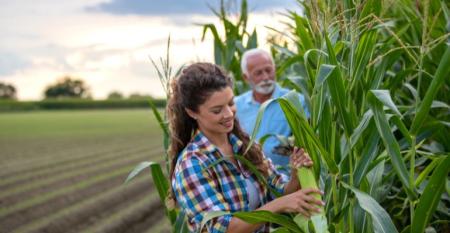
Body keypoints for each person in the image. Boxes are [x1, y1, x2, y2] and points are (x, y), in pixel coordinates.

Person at [168, 63, 323, 233]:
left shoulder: (244, 145)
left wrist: (295, 176)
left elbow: (278, 190)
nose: (229, 114)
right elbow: (221, 229)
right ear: (192, 112)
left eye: (231, 103)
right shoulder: (192, 165)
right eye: (217, 110)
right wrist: (280, 205)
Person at [235, 48, 309, 172]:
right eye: (258, 73)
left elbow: (307, 142)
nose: (266, 77)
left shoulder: (295, 101)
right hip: (252, 178)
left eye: (269, 70)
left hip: (288, 179)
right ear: (246, 77)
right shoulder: (236, 106)